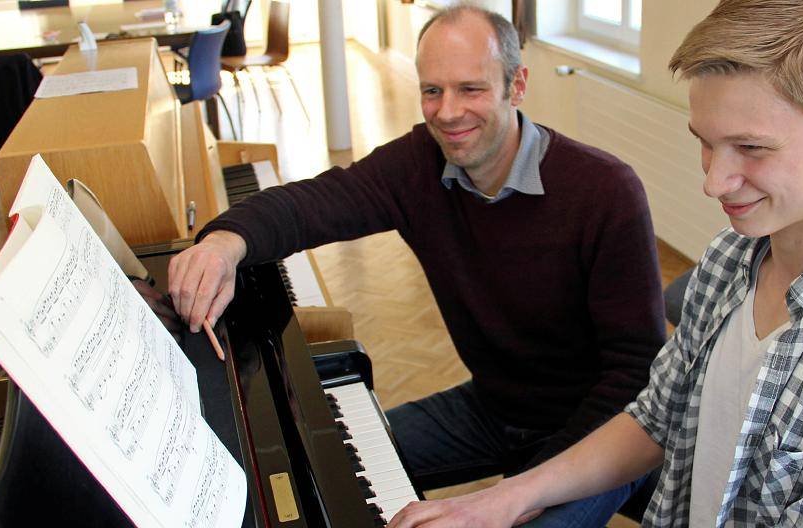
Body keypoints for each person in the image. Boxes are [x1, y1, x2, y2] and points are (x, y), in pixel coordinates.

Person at [387, 0, 803, 526]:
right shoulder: (730, 259)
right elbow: (655, 419)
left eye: (751, 147)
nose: (713, 182)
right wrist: (507, 499)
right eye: (706, 144)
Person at [167, 4, 665, 525]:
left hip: (597, 433)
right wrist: (225, 241)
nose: (447, 113)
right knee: (324, 459)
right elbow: (314, 203)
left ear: (516, 85)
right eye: (432, 90)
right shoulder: (418, 163)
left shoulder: (605, 192)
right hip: (495, 407)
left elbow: (636, 376)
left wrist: (521, 489)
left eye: (470, 89)